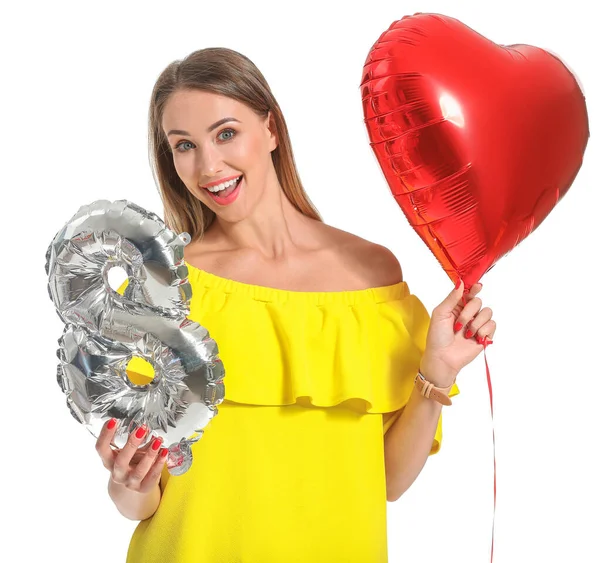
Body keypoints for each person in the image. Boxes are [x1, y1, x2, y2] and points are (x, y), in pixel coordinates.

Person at [95, 47, 496, 563]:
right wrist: (128, 480)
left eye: (226, 133)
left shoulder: (370, 276)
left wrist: (436, 371)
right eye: (183, 146)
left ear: (270, 129)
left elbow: (389, 482)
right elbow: (138, 504)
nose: (208, 165)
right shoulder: (163, 288)